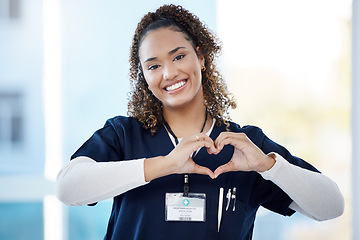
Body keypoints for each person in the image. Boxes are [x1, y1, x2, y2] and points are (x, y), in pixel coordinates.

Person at [56, 4, 344, 240]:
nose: (168, 73)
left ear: (201, 58)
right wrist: (166, 164)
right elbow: (68, 188)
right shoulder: (123, 135)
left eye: (179, 56)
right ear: (144, 76)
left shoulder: (245, 147)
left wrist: (268, 166)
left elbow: (331, 206)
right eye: (153, 65)